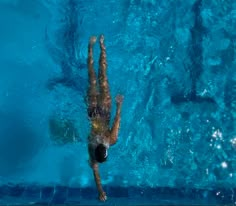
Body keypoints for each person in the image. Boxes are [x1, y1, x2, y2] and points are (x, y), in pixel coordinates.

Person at [86, 35, 123, 201]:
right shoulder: (108, 140)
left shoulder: (104, 144)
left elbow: (95, 172)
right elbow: (116, 122)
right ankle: (99, 46)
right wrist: (119, 105)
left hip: (99, 112)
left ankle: (95, 47)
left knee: (97, 78)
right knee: (99, 78)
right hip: (99, 111)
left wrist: (119, 106)